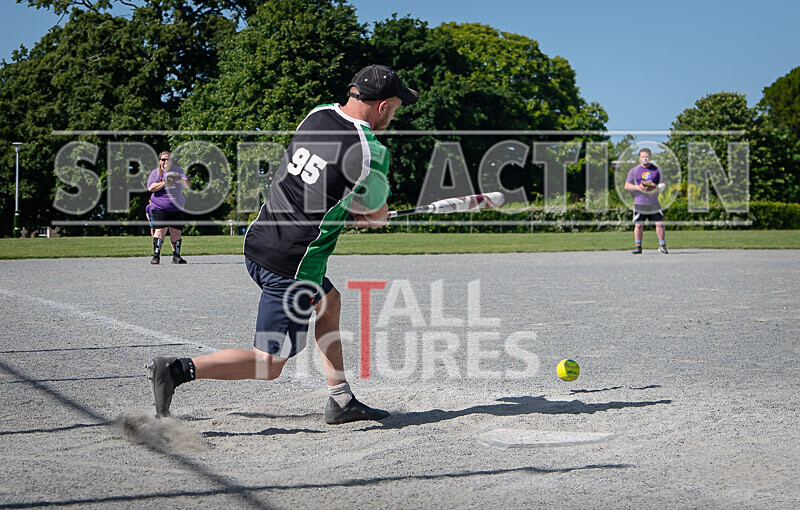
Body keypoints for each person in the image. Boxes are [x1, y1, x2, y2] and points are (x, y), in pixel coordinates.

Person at [147, 64, 418, 424]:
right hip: (291, 266)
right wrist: (370, 215)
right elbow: (375, 214)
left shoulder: (318, 115)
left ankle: (341, 399)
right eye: (395, 107)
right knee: (269, 363)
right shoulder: (370, 151)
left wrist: (348, 211)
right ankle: (177, 370)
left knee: (329, 302)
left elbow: (318, 186)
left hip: (260, 238)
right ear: (382, 106)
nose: (394, 116)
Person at [146, 151, 190, 264]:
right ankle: (156, 256)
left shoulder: (178, 171)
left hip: (177, 207)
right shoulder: (155, 173)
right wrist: (165, 182)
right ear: (159, 161)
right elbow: (150, 187)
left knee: (176, 231)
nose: (166, 161)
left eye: (168, 159)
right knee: (160, 230)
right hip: (160, 207)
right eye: (163, 159)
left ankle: (176, 256)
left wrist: (178, 178)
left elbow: (187, 184)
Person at [624, 147, 667, 254]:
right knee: (639, 225)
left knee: (660, 223)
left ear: (650, 157)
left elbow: (663, 184)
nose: (645, 158)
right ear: (639, 158)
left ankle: (662, 245)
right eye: (643, 156)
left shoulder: (657, 170)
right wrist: (638, 187)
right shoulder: (634, 170)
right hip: (640, 202)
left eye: (647, 156)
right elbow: (627, 185)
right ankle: (638, 247)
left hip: (653, 202)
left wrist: (655, 187)